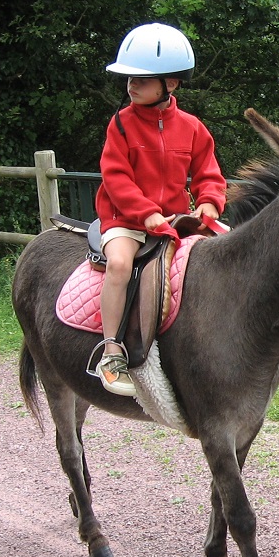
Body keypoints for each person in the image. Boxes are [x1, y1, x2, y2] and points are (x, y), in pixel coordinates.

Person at [90, 22, 228, 397]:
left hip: (175, 221)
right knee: (119, 263)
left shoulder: (194, 129)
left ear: (172, 83)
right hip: (126, 219)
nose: (131, 85)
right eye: (129, 79)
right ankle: (112, 351)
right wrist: (145, 213)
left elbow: (208, 174)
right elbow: (115, 178)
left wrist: (210, 205)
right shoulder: (119, 125)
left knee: (230, 249)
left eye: (141, 79)